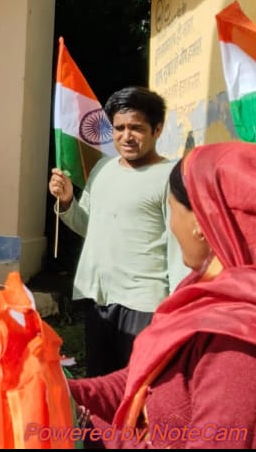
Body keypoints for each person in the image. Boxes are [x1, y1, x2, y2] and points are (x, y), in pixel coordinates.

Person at [66, 142, 256, 448]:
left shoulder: (235, 344)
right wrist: (61, 390)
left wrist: (84, 425)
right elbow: (142, 380)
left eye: (170, 209)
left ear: (201, 223)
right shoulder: (203, 295)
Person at [48, 86, 186, 377]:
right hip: (100, 301)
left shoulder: (171, 177)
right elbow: (88, 225)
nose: (127, 136)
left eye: (136, 128)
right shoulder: (103, 168)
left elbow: (179, 247)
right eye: (119, 128)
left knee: (139, 388)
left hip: (146, 305)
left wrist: (176, 308)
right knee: (102, 383)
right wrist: (67, 201)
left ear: (157, 130)